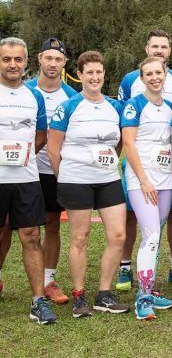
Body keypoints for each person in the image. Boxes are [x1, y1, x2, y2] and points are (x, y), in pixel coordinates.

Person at [47, 50, 129, 318]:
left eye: (99, 72)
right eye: (89, 73)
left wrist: (109, 162)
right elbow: (52, 147)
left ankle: (104, 294)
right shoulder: (69, 105)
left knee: (118, 236)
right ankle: (79, 295)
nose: (95, 77)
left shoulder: (114, 106)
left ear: (104, 74)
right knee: (80, 238)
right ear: (79, 75)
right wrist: (65, 177)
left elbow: (119, 143)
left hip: (107, 180)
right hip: (76, 180)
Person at [117, 30, 172, 291]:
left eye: (164, 47)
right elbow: (127, 136)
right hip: (140, 170)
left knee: (167, 219)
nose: (159, 50)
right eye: (154, 46)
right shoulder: (131, 87)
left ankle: (164, 273)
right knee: (135, 219)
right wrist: (143, 178)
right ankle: (129, 273)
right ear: (147, 49)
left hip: (167, 170)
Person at [0, 37, 57, 324]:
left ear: (25, 62)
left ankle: (38, 302)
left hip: (26, 178)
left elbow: (41, 135)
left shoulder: (33, 95)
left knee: (31, 237)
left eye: (17, 59)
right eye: (7, 59)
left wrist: (20, 156)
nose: (13, 64)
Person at [121, 56, 172, 320]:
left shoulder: (169, 106)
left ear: (165, 74)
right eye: (149, 74)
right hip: (142, 181)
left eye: (159, 72)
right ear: (141, 78)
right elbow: (128, 144)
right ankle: (142, 296)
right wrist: (143, 180)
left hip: (165, 180)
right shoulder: (134, 105)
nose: (154, 77)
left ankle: (150, 289)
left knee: (157, 234)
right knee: (151, 234)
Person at [24, 38, 77, 304]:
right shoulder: (25, 91)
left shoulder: (72, 97)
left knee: (53, 225)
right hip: (23, 171)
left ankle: (48, 281)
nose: (53, 63)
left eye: (58, 59)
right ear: (39, 59)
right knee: (12, 227)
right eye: (49, 58)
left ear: (65, 62)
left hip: (54, 172)